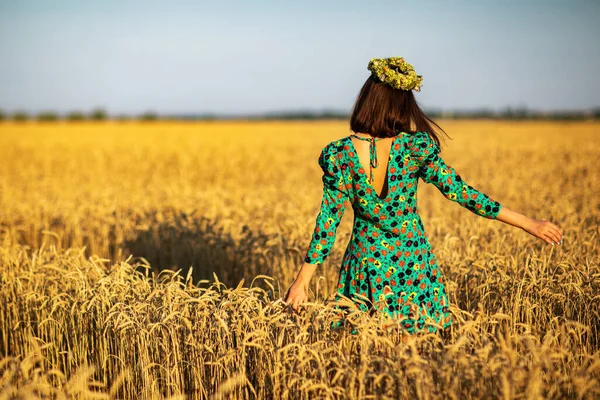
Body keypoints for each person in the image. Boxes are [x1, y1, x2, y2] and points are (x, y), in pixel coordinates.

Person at [284, 56, 563, 335]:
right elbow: (464, 194)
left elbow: (327, 224)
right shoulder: (414, 148)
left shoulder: (339, 154)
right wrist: (528, 223)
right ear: (402, 105)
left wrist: (302, 282)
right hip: (413, 266)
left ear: (366, 101)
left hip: (365, 268)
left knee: (367, 355)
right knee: (413, 358)